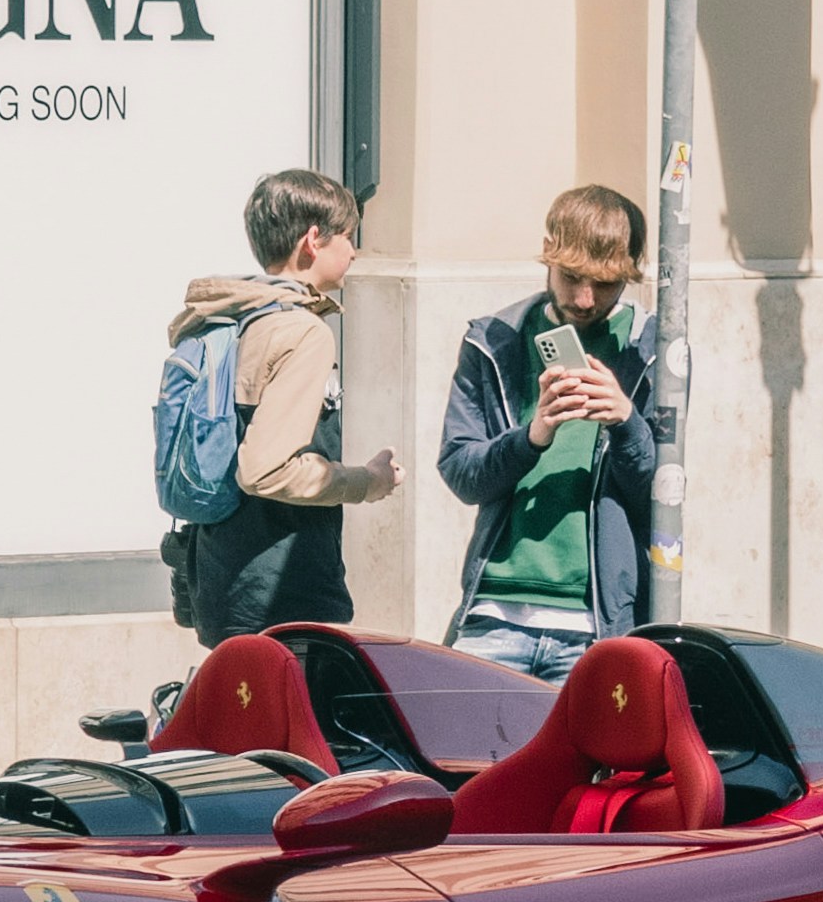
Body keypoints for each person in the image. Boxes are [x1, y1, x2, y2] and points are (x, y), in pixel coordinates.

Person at [164, 168, 399, 645]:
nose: (353, 251)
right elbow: (264, 470)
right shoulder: (301, 332)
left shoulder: (227, 321)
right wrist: (367, 481)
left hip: (222, 583)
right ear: (313, 240)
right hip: (287, 596)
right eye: (348, 237)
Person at [437, 183, 657, 681]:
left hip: (596, 628)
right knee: (466, 759)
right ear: (548, 260)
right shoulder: (495, 340)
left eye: (604, 284)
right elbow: (461, 474)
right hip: (492, 614)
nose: (584, 299)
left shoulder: (651, 351)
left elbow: (662, 500)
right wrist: (531, 438)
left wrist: (625, 421)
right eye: (572, 277)